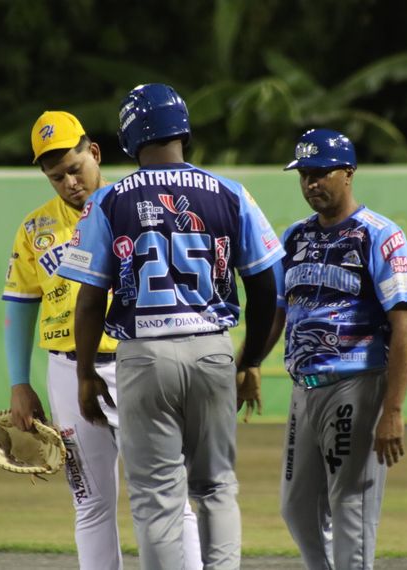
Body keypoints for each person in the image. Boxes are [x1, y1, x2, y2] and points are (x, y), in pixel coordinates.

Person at [57, 83, 283, 570]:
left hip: (143, 355)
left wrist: (84, 373)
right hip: (212, 349)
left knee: (156, 498)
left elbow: (91, 298)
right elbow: (267, 289)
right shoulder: (230, 193)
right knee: (217, 487)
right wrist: (250, 362)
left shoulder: (109, 201)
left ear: (128, 137)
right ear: (183, 129)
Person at [1, 110, 202, 570]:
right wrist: (18, 381)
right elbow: (19, 302)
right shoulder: (35, 230)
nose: (70, 182)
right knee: (90, 503)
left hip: (140, 362)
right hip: (68, 371)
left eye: (75, 168)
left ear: (94, 153)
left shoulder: (137, 207)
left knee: (167, 497)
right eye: (57, 177)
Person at [265, 128, 407, 569]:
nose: (311, 183)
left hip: (356, 383)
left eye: (321, 173)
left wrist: (393, 409)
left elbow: (404, 323)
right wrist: (251, 362)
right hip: (304, 388)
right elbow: (279, 311)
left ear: (348, 173)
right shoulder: (294, 237)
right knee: (296, 507)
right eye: (304, 175)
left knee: (351, 507)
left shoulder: (379, 235)